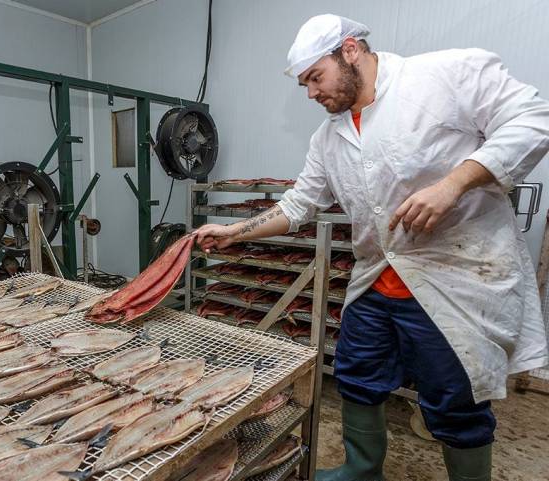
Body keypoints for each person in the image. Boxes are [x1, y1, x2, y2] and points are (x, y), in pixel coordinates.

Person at [195, 13, 549, 481]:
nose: (311, 93)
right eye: (304, 84)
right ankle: (362, 470)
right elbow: (300, 204)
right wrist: (233, 232)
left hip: (454, 281)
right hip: (376, 283)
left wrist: (454, 185)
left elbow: (534, 119)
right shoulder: (328, 137)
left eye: (315, 78)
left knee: (453, 402)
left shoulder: (442, 75)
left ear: (350, 50)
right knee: (356, 377)